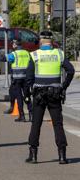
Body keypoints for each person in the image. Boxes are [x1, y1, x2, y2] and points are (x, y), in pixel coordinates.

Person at [25, 30, 75, 165]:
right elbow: (70, 70)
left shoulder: (34, 55)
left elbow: (29, 77)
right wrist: (63, 86)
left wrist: (28, 93)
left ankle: (33, 155)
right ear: (51, 41)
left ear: (40, 41)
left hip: (39, 94)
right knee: (58, 124)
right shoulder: (59, 54)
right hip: (55, 93)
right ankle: (62, 156)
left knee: (36, 123)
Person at [6, 39, 32, 122]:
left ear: (16, 45)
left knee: (19, 97)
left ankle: (22, 116)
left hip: (17, 79)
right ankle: (31, 114)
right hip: (26, 79)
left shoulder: (14, 54)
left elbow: (5, 58)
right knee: (27, 96)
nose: (12, 45)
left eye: (13, 43)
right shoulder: (27, 53)